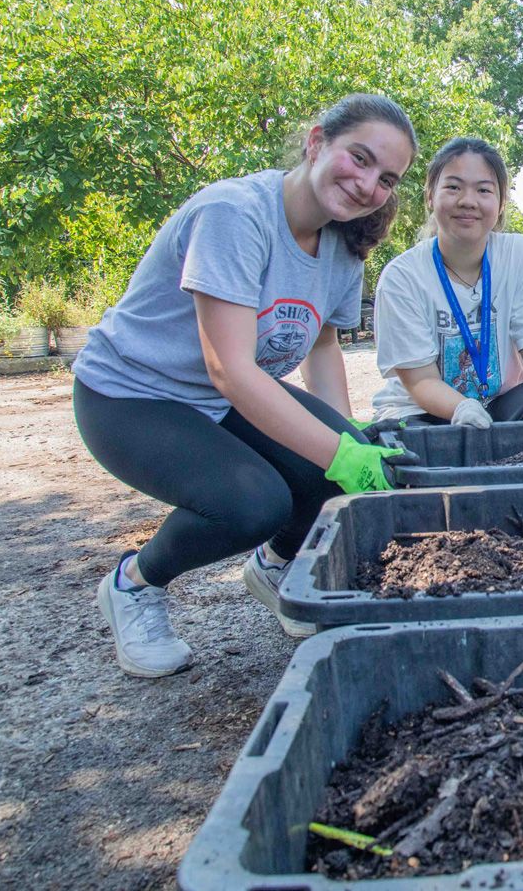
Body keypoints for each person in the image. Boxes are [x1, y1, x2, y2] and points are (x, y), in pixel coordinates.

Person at [73, 93, 417, 677]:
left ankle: (277, 565)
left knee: (333, 469)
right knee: (255, 502)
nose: (367, 186)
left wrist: (345, 444)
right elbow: (228, 369)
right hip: (131, 394)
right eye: (358, 158)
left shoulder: (344, 243)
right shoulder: (236, 213)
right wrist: (338, 452)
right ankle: (135, 582)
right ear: (316, 142)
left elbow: (323, 347)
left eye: (386, 179)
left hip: (220, 393)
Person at [371, 137, 523, 438]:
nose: (468, 200)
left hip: (496, 404)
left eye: (483, 190)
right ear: (430, 196)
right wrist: (461, 408)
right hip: (422, 413)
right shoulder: (402, 278)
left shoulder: (518, 254)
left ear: (501, 203)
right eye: (453, 187)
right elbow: (420, 381)